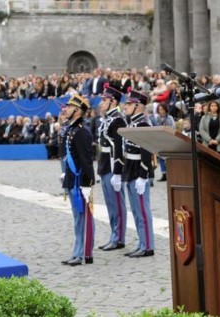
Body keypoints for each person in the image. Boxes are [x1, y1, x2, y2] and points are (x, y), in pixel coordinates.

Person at [61, 94, 96, 266]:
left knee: (84, 219)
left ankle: (84, 253)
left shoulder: (82, 132)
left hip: (80, 182)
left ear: (77, 111)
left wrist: (88, 183)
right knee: (77, 219)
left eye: (68, 107)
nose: (65, 109)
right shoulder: (72, 129)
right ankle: (77, 251)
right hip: (72, 180)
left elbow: (86, 160)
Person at [122, 90, 155, 258]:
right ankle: (141, 242)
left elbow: (146, 152)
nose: (125, 106)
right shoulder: (133, 123)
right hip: (130, 168)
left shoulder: (143, 124)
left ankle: (148, 245)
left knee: (143, 210)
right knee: (136, 210)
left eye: (128, 104)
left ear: (137, 106)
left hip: (138, 171)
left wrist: (143, 176)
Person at [97, 85, 128, 251]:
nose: (101, 103)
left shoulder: (118, 119)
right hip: (104, 164)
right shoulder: (107, 118)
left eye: (105, 100)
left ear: (113, 101)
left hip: (112, 166)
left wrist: (117, 172)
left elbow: (119, 147)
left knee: (117, 204)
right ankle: (113, 235)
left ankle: (119, 238)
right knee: (110, 204)